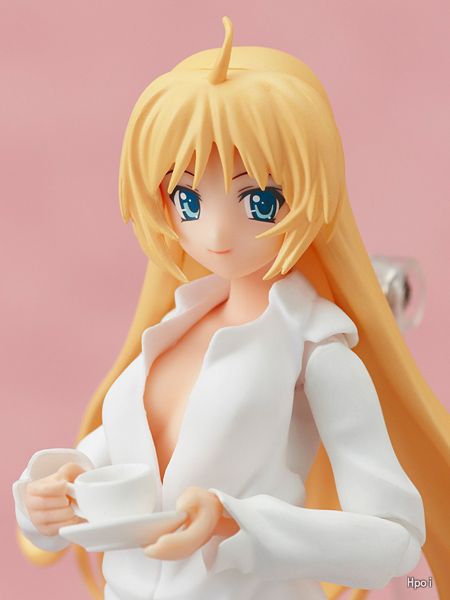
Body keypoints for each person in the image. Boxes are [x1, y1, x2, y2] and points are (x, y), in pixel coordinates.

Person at [13, 16, 449, 600]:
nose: (216, 233)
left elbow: (393, 539)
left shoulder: (313, 352)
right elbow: (97, 470)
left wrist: (237, 523)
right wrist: (46, 499)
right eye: (188, 199)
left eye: (259, 200)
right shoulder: (172, 332)